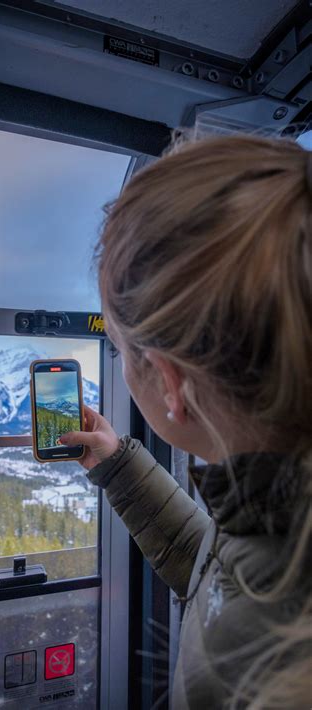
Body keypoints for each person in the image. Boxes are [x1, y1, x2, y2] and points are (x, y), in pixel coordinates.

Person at [59, 133, 312, 709]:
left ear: (171, 384)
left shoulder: (269, 679)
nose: (121, 368)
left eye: (122, 354)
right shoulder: (275, 504)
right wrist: (121, 468)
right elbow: (229, 572)